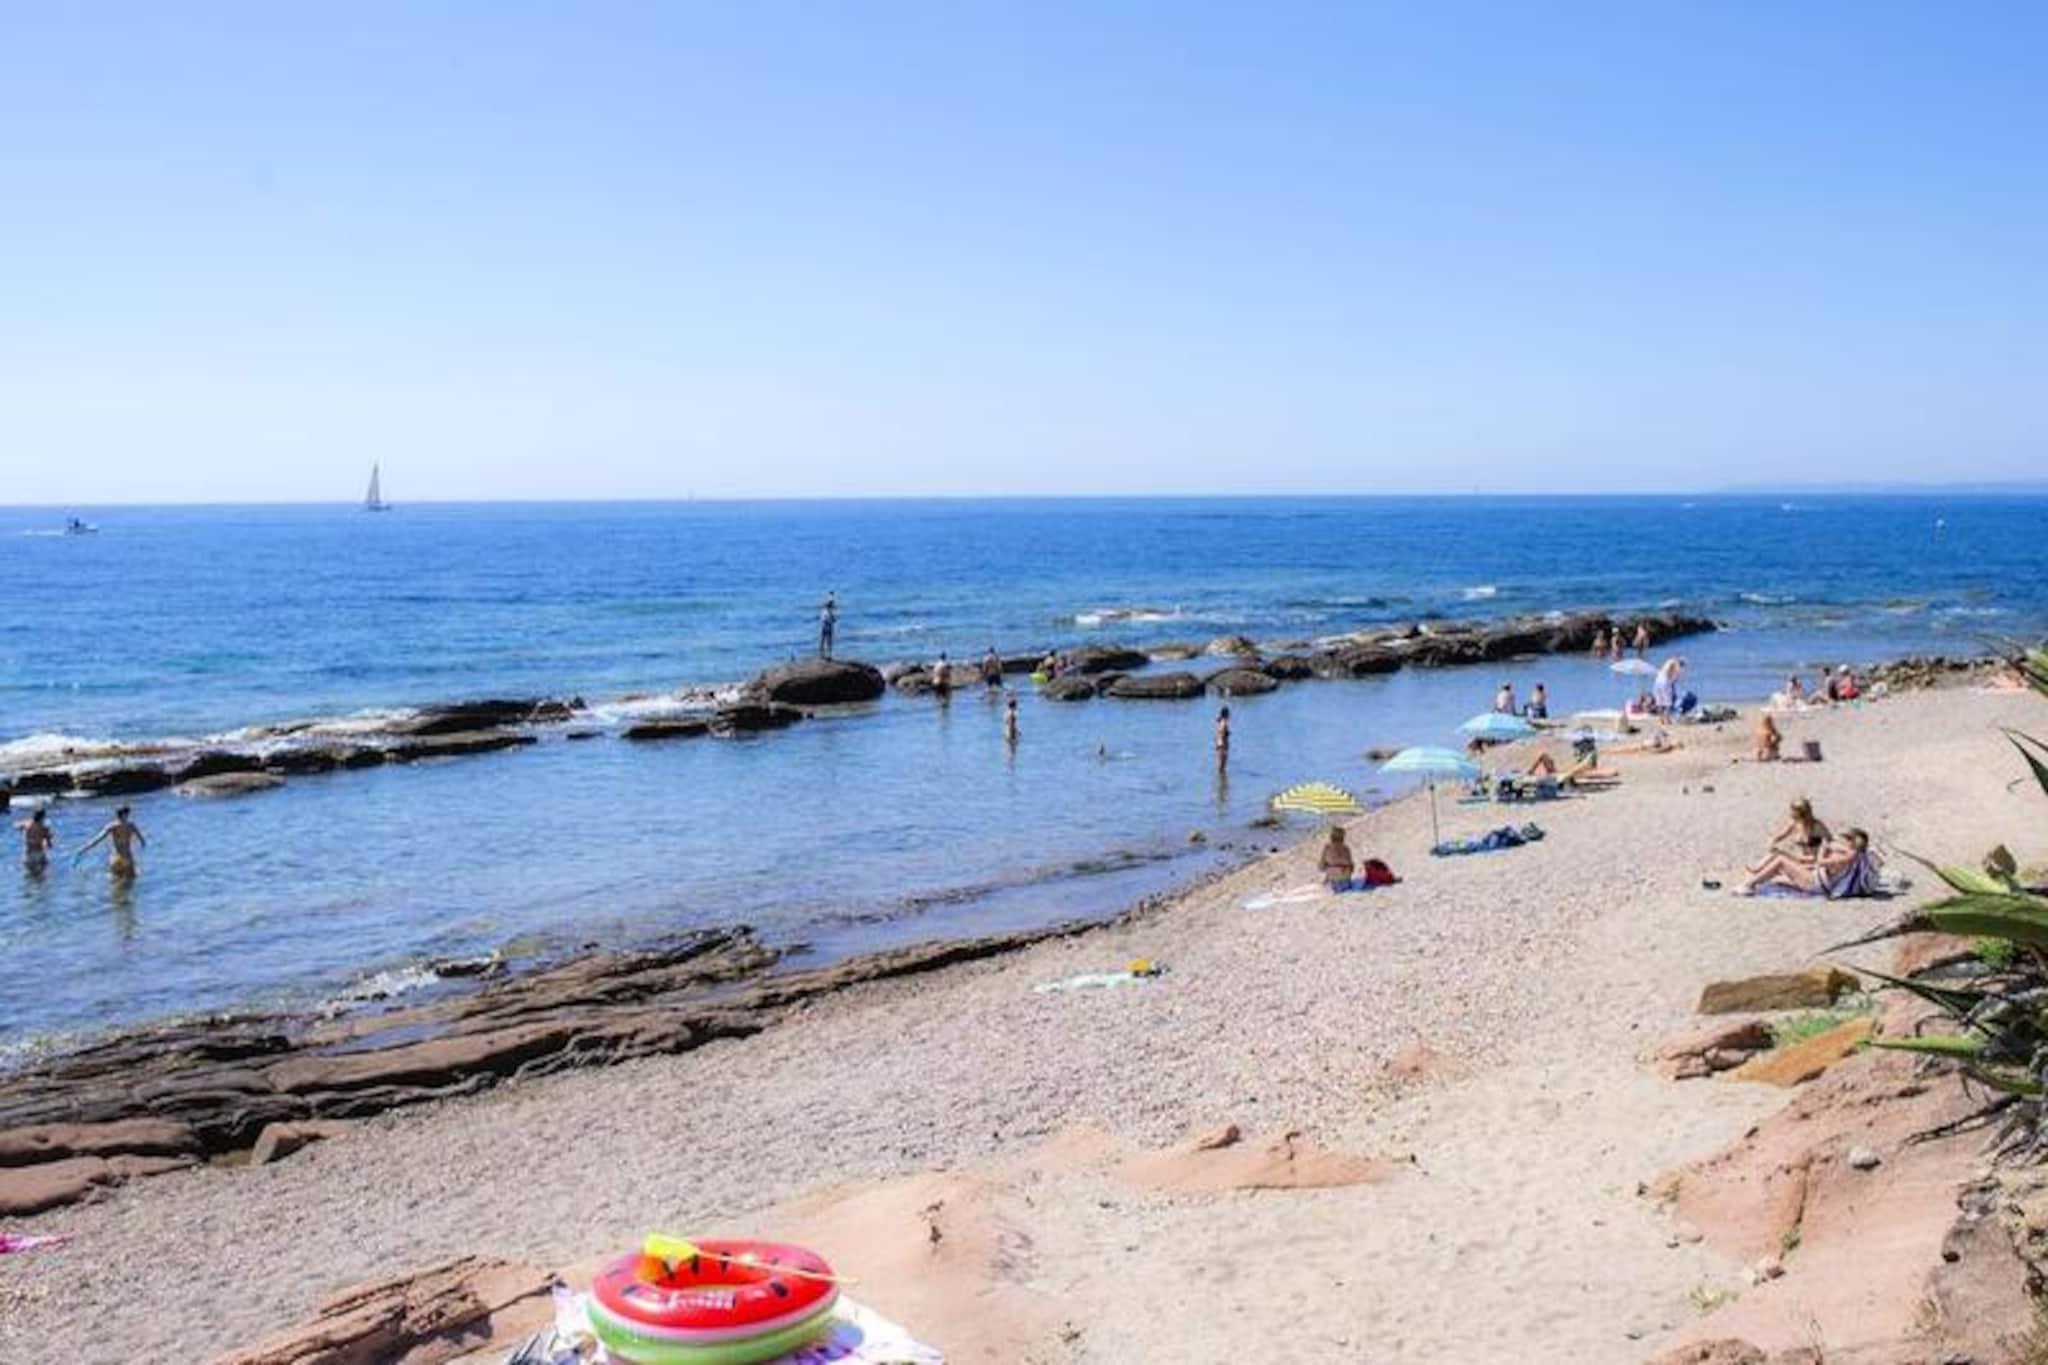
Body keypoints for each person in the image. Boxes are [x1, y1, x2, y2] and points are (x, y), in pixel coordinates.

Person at [1744, 829, 1876, 898]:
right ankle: (1756, 876)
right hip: (1821, 881)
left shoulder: (1844, 857)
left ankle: (1749, 885)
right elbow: (1811, 861)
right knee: (1779, 876)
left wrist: (1823, 849)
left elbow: (1821, 862)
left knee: (1781, 862)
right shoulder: (1855, 856)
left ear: (1849, 842)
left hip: (1817, 884)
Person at [1753, 798, 1830, 872]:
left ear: (1801, 813)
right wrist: (1772, 841)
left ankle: (1757, 870)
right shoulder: (1795, 823)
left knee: (1780, 855)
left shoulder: (1816, 827)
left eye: (1794, 811)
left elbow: (1827, 843)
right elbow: (1781, 835)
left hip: (1810, 860)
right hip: (1800, 857)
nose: (1791, 813)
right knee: (1776, 852)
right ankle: (1757, 868)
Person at [76, 805, 146, 879]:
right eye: (128, 813)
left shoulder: (112, 826)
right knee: (131, 881)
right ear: (124, 814)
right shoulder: (131, 825)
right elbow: (142, 841)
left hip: (116, 858)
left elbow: (98, 839)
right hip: (128, 857)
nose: (128, 815)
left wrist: (84, 848)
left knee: (115, 881)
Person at [16, 808, 54, 875]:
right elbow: (49, 844)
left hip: (28, 854)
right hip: (39, 853)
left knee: (29, 875)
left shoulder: (27, 824)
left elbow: (16, 826)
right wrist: (49, 839)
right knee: (42, 874)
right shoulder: (44, 827)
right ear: (43, 817)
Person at [817, 593, 837, 659]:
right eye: (831, 606)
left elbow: (833, 620)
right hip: (827, 627)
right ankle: (826, 654)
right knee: (827, 641)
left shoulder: (825, 612)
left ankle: (824, 654)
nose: (832, 607)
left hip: (825, 627)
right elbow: (833, 620)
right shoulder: (827, 612)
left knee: (824, 641)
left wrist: (831, 597)